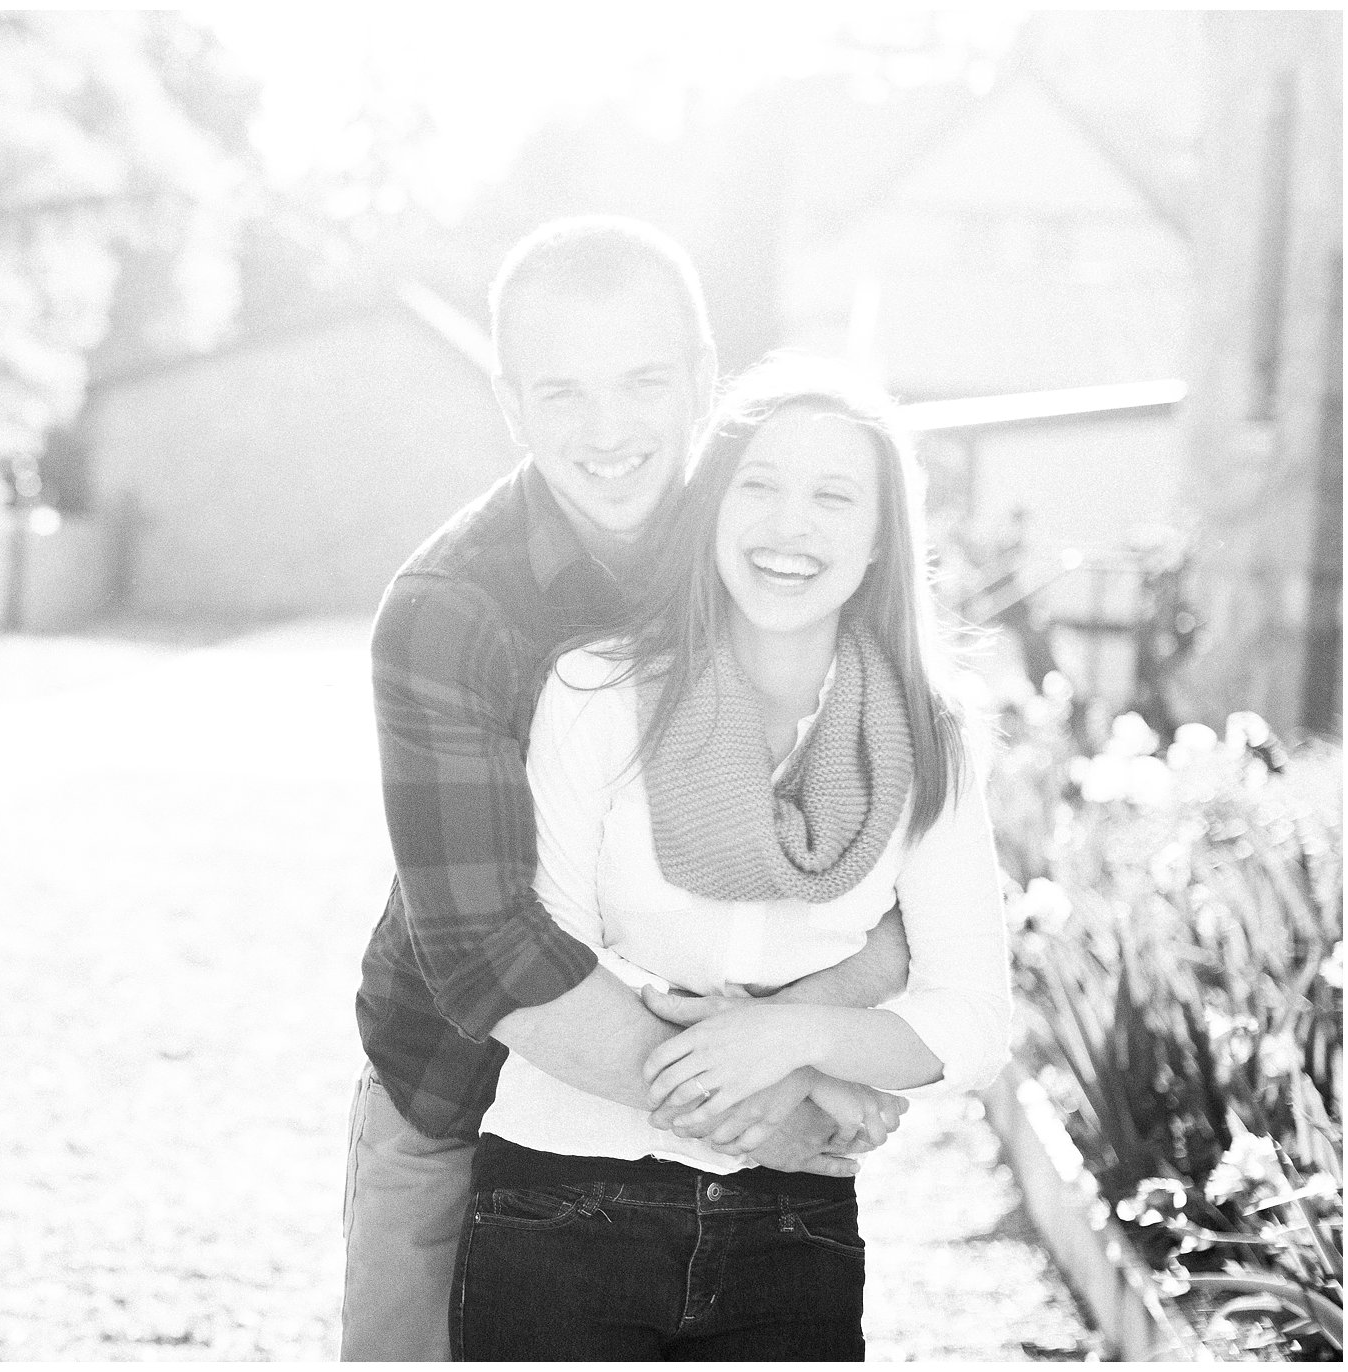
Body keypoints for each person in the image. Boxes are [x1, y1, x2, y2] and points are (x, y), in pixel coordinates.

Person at [342, 218, 916, 1362]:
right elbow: (486, 949)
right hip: (460, 1084)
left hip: (723, 1085)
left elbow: (883, 840)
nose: (608, 433)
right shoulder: (446, 607)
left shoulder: (770, 536)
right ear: (509, 404)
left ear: (703, 380)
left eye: (643, 382)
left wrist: (793, 1046)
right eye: (562, 394)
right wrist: (768, 1104)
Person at [450, 355, 1014, 1360]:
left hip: (792, 1233)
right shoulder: (597, 691)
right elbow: (544, 967)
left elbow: (970, 1018)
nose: (787, 526)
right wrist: (802, 1093)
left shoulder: (930, 737)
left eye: (831, 496)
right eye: (757, 484)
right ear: (709, 508)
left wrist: (787, 1041)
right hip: (561, 1198)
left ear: (881, 539)